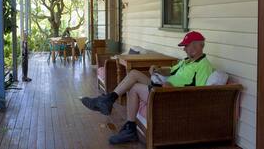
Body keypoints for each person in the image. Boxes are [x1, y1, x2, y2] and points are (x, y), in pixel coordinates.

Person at [80, 31, 213, 144]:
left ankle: (128, 126)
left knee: (134, 88)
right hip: (163, 86)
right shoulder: (186, 61)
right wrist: (158, 69)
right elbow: (172, 71)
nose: (183, 49)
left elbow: (199, 93)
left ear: (195, 46)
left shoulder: (204, 66)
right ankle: (109, 100)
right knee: (134, 74)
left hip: (172, 95)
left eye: (186, 46)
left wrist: (171, 87)